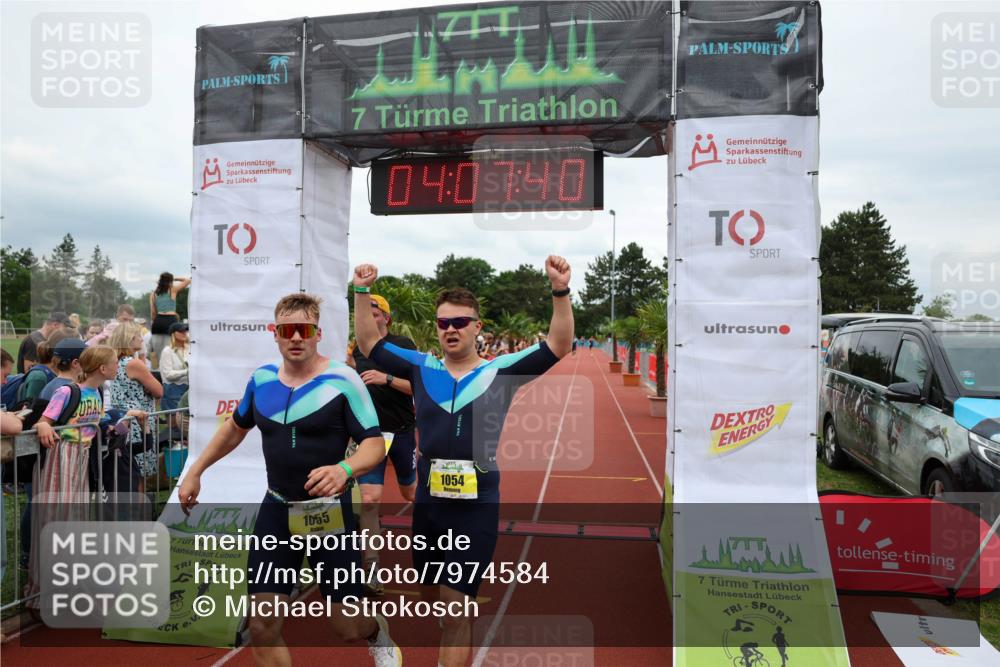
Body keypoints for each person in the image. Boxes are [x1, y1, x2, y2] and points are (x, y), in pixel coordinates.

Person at [352, 256, 573, 667]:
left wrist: (559, 290)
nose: (450, 329)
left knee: (457, 606)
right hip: (430, 502)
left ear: (477, 327)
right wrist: (362, 292)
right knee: (433, 592)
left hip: (477, 503)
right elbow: (369, 345)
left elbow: (558, 346)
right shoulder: (422, 368)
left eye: (459, 322)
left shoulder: (500, 372)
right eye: (443, 323)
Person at [178, 293, 402, 667]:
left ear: (317, 333)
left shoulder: (342, 380)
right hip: (277, 508)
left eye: (304, 330)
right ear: (276, 334)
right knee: (262, 623)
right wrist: (196, 471)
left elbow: (374, 445)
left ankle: (376, 631)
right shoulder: (262, 380)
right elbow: (234, 429)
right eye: (287, 330)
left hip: (328, 513)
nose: (296, 337)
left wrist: (344, 469)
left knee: (346, 625)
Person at [351, 294, 418, 595]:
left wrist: (386, 378)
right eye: (365, 312)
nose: (369, 316)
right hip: (372, 435)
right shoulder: (356, 351)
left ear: (386, 319)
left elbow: (419, 387)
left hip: (402, 432)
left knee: (411, 492)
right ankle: (372, 567)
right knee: (369, 499)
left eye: (374, 312)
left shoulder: (403, 347)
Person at [109, 321, 163, 490]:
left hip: (123, 418)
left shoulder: (116, 361)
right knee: (138, 474)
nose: (142, 339)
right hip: (138, 421)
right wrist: (148, 387)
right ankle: (140, 513)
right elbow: (159, 391)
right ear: (129, 339)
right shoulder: (133, 364)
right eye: (138, 335)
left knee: (128, 471)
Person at [148, 273, 190, 369]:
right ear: (170, 281)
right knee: (169, 349)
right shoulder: (172, 290)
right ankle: (170, 370)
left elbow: (153, 313)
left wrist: (156, 321)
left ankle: (157, 370)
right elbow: (187, 281)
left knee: (158, 350)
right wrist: (175, 279)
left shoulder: (153, 294)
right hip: (170, 321)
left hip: (158, 321)